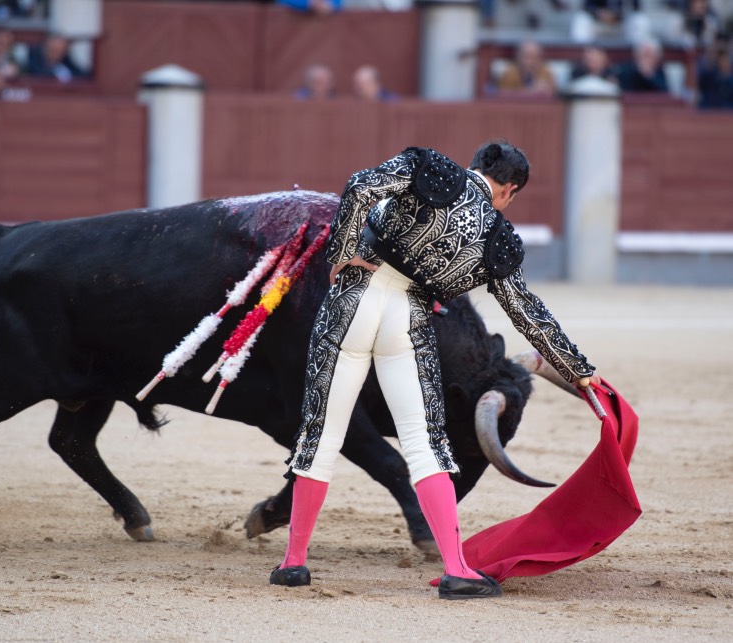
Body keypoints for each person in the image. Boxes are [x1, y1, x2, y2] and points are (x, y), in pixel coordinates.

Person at [268, 141, 599, 599]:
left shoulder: (433, 169)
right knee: (425, 443)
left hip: (355, 300)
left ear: (476, 165)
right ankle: (456, 568)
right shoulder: (496, 234)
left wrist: (342, 250)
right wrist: (578, 369)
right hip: (409, 319)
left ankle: (294, 563)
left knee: (323, 433)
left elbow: (361, 185)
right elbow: (526, 310)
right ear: (509, 190)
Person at [570, 0, 651, 43]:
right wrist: (599, 13)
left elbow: (637, 7)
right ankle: (581, 57)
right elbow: (586, 6)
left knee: (640, 20)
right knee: (581, 19)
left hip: (621, 25)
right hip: (599, 24)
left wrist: (618, 15)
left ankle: (636, 57)